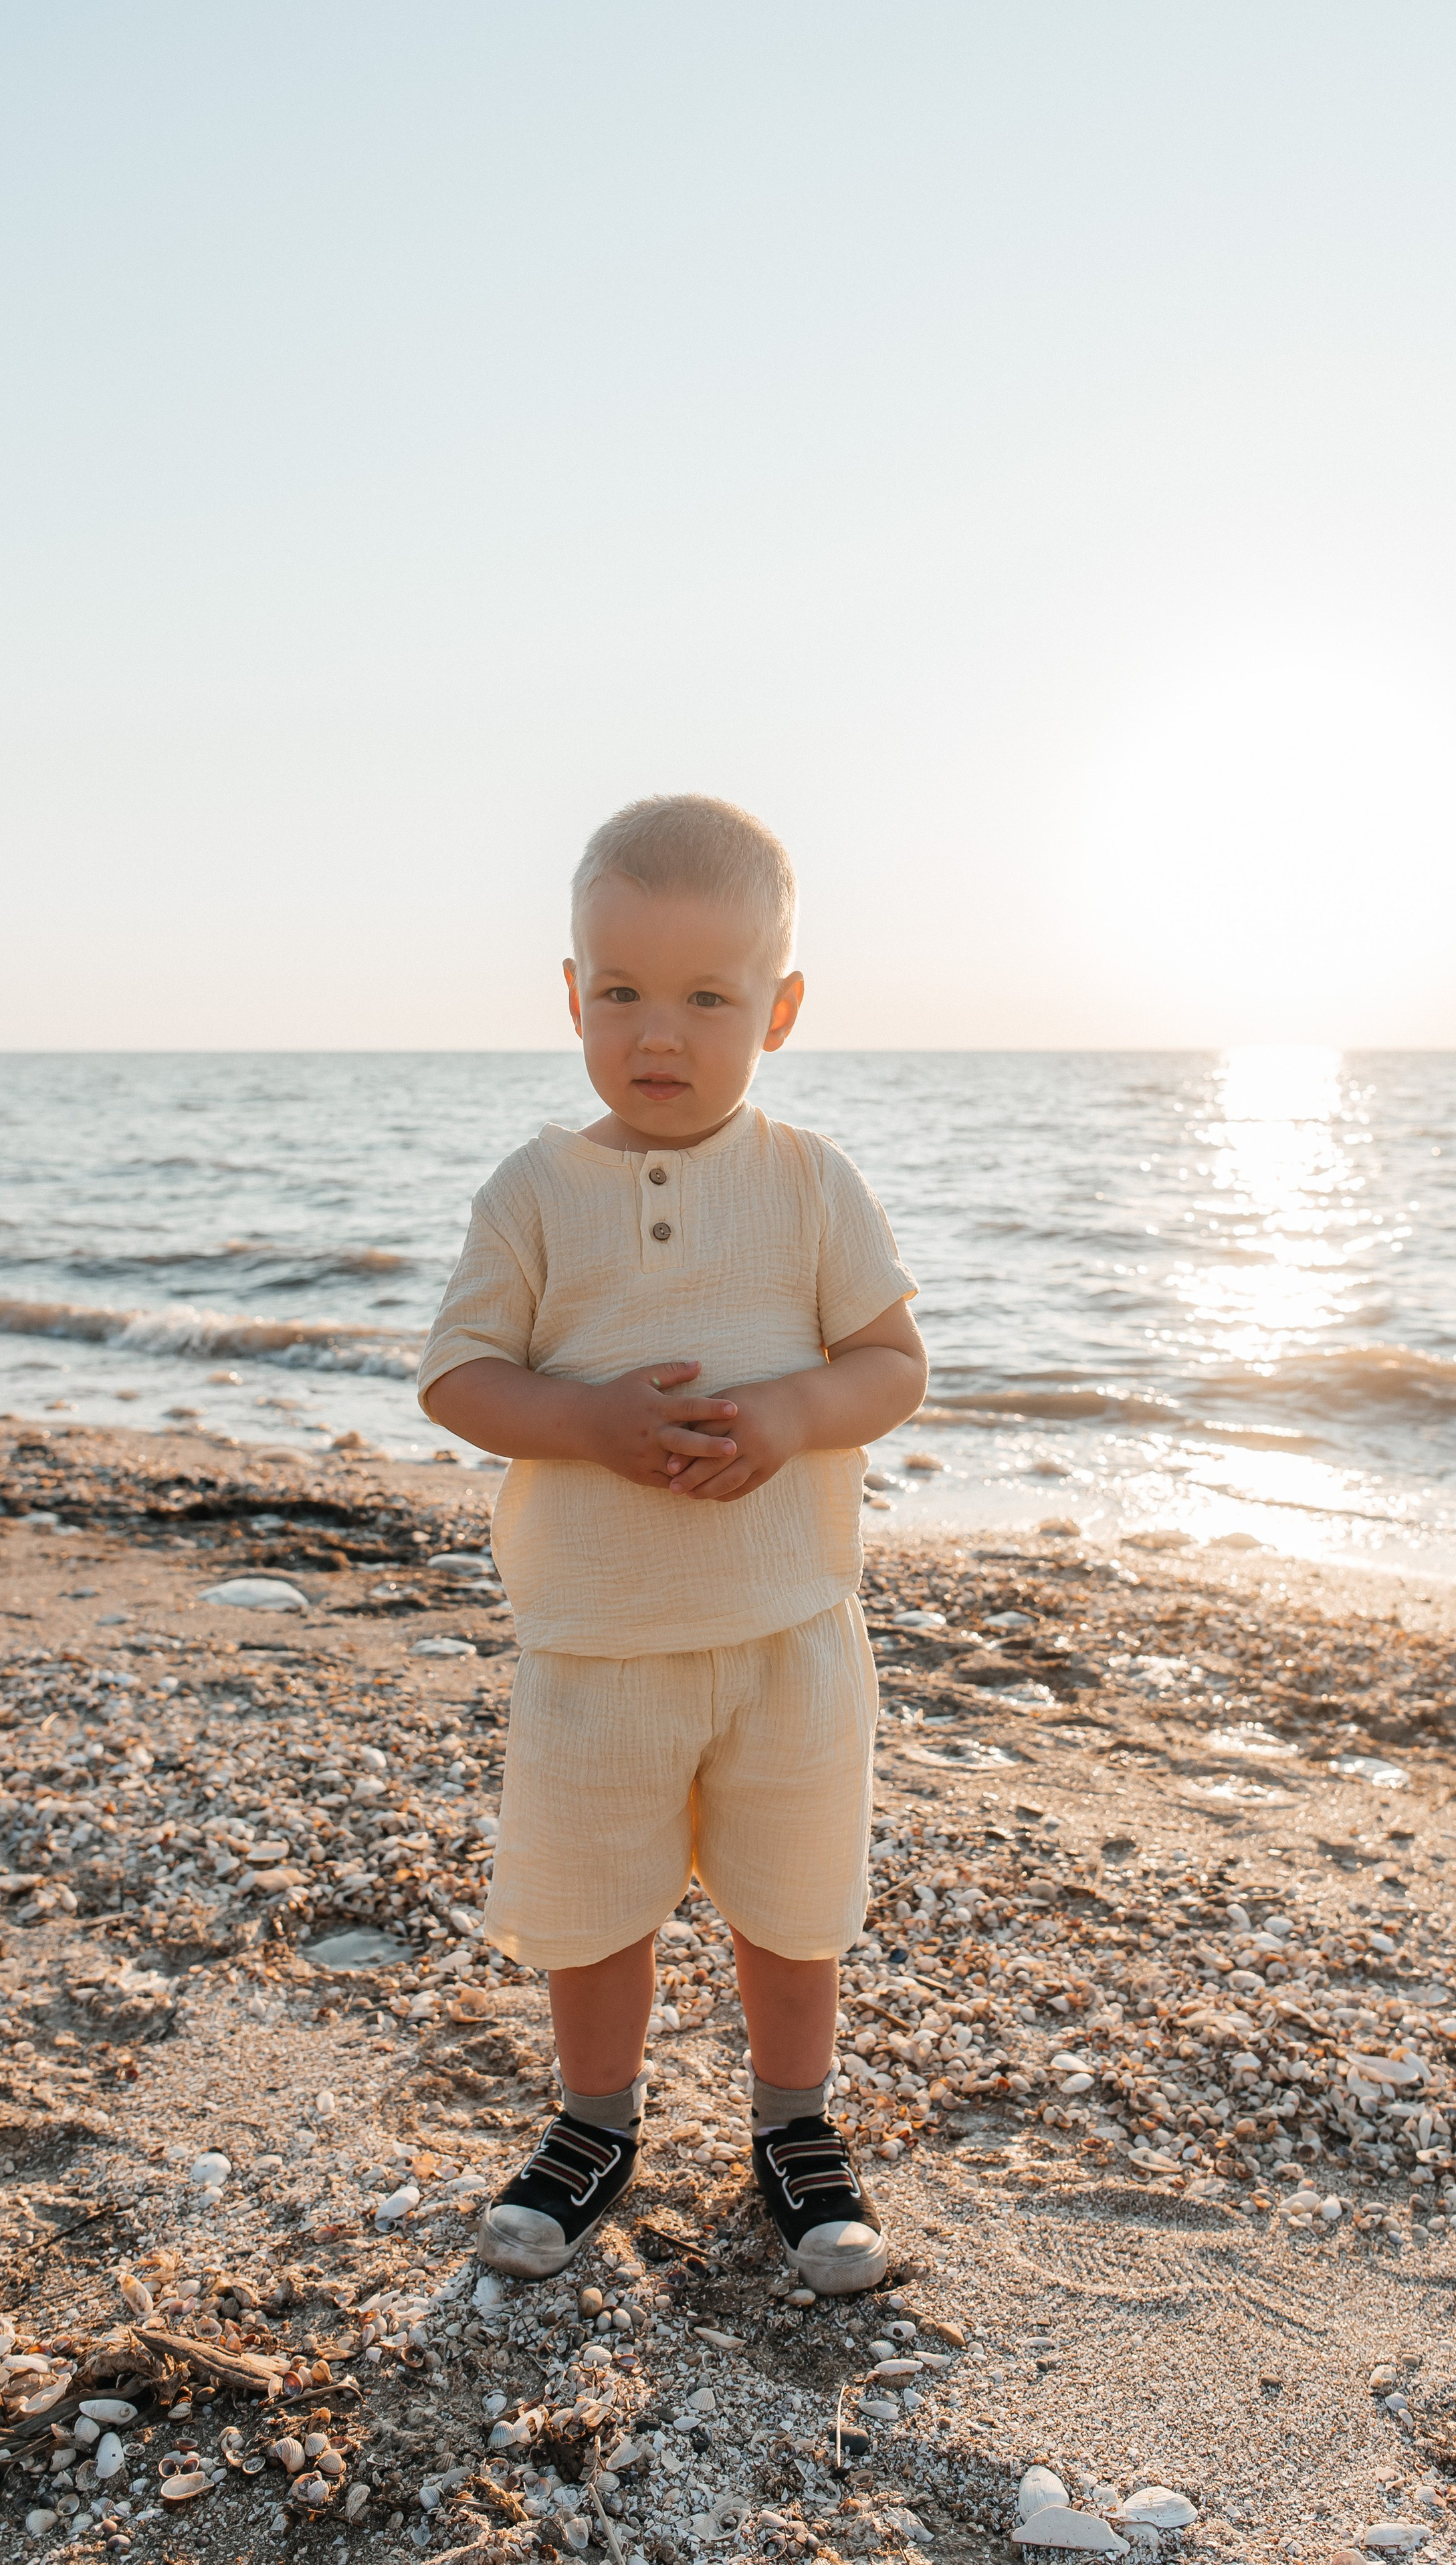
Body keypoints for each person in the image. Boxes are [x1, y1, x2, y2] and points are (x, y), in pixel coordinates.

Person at [418, 793, 926, 2294]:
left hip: (784, 1630)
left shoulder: (807, 1178)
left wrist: (788, 1414)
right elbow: (458, 1375)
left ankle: (794, 2125)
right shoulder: (534, 1190)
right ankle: (593, 2121)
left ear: (775, 1009)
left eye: (708, 997)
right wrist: (586, 1424)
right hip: (595, 1640)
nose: (661, 1030)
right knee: (593, 1902)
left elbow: (891, 1365)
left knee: (790, 1898)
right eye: (624, 990)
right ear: (572, 994)